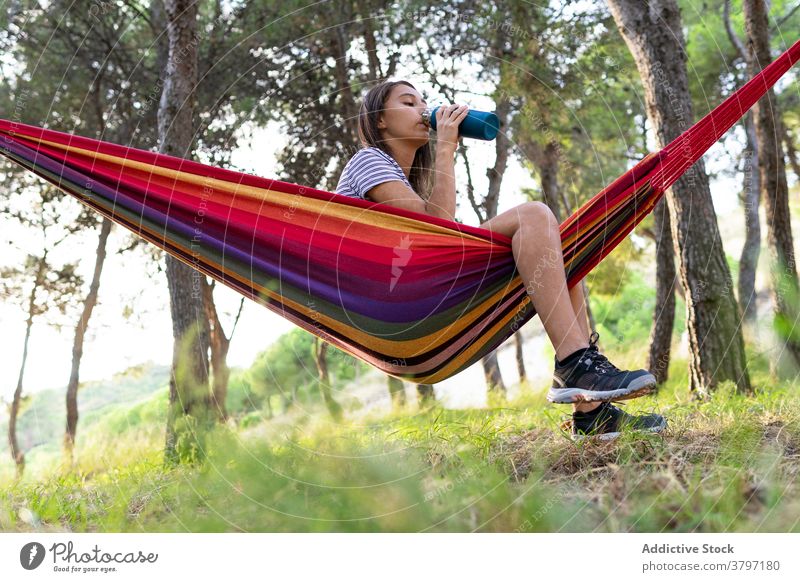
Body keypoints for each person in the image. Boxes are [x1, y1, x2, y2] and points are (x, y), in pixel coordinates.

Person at [335, 80, 667, 440]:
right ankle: (576, 364)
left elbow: (436, 234)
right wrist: (446, 146)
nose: (423, 109)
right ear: (380, 120)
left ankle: (591, 411)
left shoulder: (404, 180)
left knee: (562, 253)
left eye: (423, 102)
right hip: (397, 305)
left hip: (419, 295)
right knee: (533, 216)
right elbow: (438, 236)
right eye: (408, 102)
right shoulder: (369, 160)